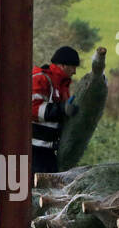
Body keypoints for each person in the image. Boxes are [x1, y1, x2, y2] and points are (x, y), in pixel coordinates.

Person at [31, 45, 82, 176]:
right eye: (73, 67)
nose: (75, 71)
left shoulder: (62, 85)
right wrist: (62, 109)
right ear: (63, 65)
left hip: (47, 149)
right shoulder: (41, 79)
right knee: (41, 188)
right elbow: (32, 109)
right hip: (33, 149)